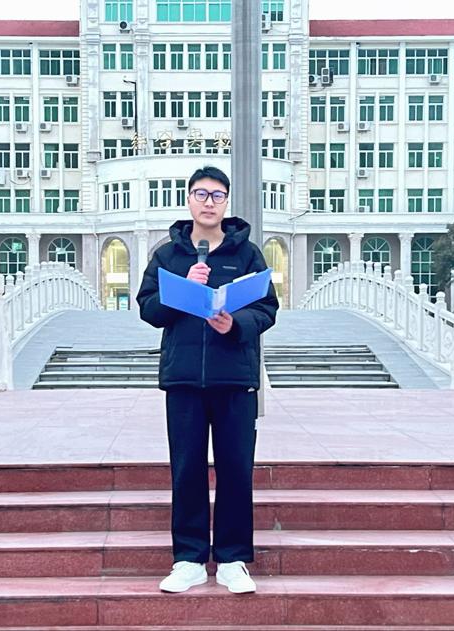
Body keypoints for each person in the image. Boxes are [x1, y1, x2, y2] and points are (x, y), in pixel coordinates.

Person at [137, 166, 279, 594]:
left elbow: (267, 308)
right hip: (183, 379)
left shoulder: (247, 254)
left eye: (217, 195)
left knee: (236, 470)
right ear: (188, 199)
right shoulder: (168, 255)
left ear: (226, 202)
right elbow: (148, 309)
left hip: (234, 379)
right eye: (201, 193)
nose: (209, 202)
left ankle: (233, 559)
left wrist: (234, 324)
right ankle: (189, 559)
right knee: (187, 470)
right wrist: (181, 289)